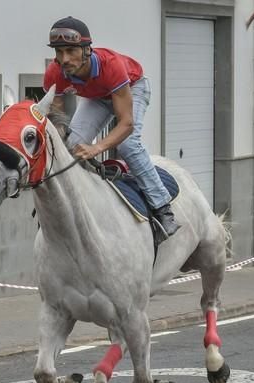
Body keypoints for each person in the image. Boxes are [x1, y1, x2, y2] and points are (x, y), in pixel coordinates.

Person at [42, 16, 179, 240]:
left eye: (70, 50)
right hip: (97, 96)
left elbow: (126, 124)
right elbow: (57, 116)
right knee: (71, 145)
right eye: (59, 52)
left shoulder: (111, 65)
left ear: (87, 50)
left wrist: (96, 149)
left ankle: (163, 208)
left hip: (132, 86)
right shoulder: (54, 72)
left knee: (127, 144)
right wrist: (60, 137)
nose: (64, 59)